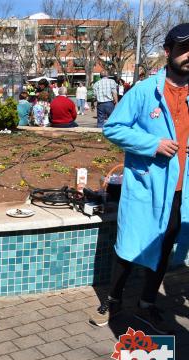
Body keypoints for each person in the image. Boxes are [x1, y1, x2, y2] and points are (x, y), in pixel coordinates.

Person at [89, 23, 189, 334]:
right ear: (168, 52)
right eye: (184, 48)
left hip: (180, 190)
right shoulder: (146, 91)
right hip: (148, 186)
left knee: (165, 246)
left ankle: (147, 301)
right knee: (129, 246)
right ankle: (114, 300)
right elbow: (113, 127)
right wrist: (152, 144)